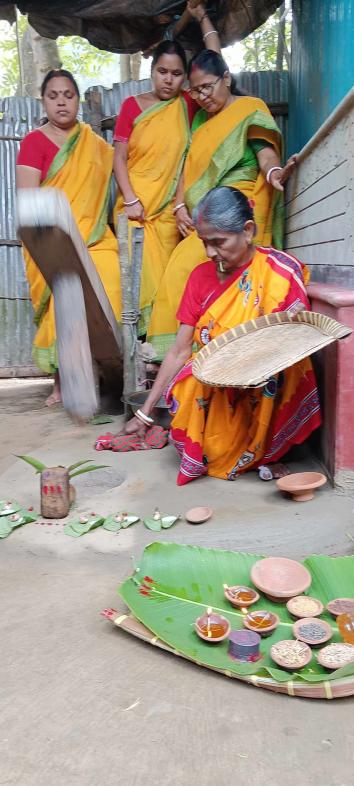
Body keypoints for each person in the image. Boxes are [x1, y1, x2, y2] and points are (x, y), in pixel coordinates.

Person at [125, 187, 321, 486]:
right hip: (216, 381)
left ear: (248, 230)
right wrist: (145, 413)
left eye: (218, 242)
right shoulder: (199, 277)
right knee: (193, 389)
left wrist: (252, 363)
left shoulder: (279, 271)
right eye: (204, 243)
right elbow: (179, 351)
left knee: (288, 371)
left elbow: (292, 341)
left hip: (265, 378)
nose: (210, 253)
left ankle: (268, 449)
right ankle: (238, 447)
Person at [148, 49, 297, 359]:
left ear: (226, 78)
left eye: (207, 87)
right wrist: (179, 207)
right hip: (203, 215)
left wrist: (273, 171)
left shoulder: (248, 109)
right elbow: (187, 169)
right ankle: (175, 354)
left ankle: (193, 351)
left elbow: (265, 151)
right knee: (179, 270)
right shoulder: (200, 120)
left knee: (192, 264)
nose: (202, 96)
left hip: (236, 207)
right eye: (196, 90)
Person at [113, 2, 220, 336]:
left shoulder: (187, 105)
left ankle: (155, 357)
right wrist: (130, 200)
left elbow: (216, 64)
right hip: (134, 211)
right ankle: (135, 356)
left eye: (176, 74)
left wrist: (202, 18)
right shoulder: (132, 106)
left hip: (168, 215)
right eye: (163, 72)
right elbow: (119, 159)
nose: (169, 80)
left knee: (163, 289)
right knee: (135, 286)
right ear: (152, 71)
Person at [16, 69, 121, 406]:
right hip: (51, 236)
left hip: (94, 237)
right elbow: (27, 199)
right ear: (43, 102)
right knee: (61, 297)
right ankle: (62, 380)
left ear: (77, 100)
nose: (61, 101)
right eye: (53, 95)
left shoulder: (96, 146)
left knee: (109, 291)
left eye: (68, 95)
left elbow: (111, 190)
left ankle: (106, 373)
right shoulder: (34, 142)